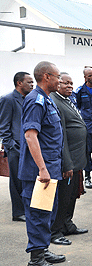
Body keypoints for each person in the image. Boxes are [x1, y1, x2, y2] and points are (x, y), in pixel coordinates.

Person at [18, 61, 65, 265]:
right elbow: (30, 136)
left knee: (47, 212)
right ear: (46, 77)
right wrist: (43, 168)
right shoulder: (35, 100)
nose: (60, 80)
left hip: (51, 168)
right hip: (38, 172)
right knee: (37, 213)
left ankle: (42, 249)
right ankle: (36, 259)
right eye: (57, 77)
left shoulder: (47, 99)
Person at [50, 73, 88, 246]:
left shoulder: (67, 100)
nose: (70, 86)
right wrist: (67, 162)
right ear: (58, 84)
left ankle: (67, 224)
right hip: (68, 160)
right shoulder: (55, 102)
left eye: (72, 83)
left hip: (77, 159)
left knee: (72, 195)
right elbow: (62, 136)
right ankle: (55, 231)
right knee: (63, 197)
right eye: (66, 83)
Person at [0, 72, 34, 222]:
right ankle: (18, 212)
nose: (32, 85)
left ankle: (26, 208)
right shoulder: (8, 99)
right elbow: (3, 126)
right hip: (15, 148)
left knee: (26, 180)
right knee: (16, 181)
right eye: (29, 82)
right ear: (19, 83)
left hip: (28, 147)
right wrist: (11, 146)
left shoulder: (28, 99)